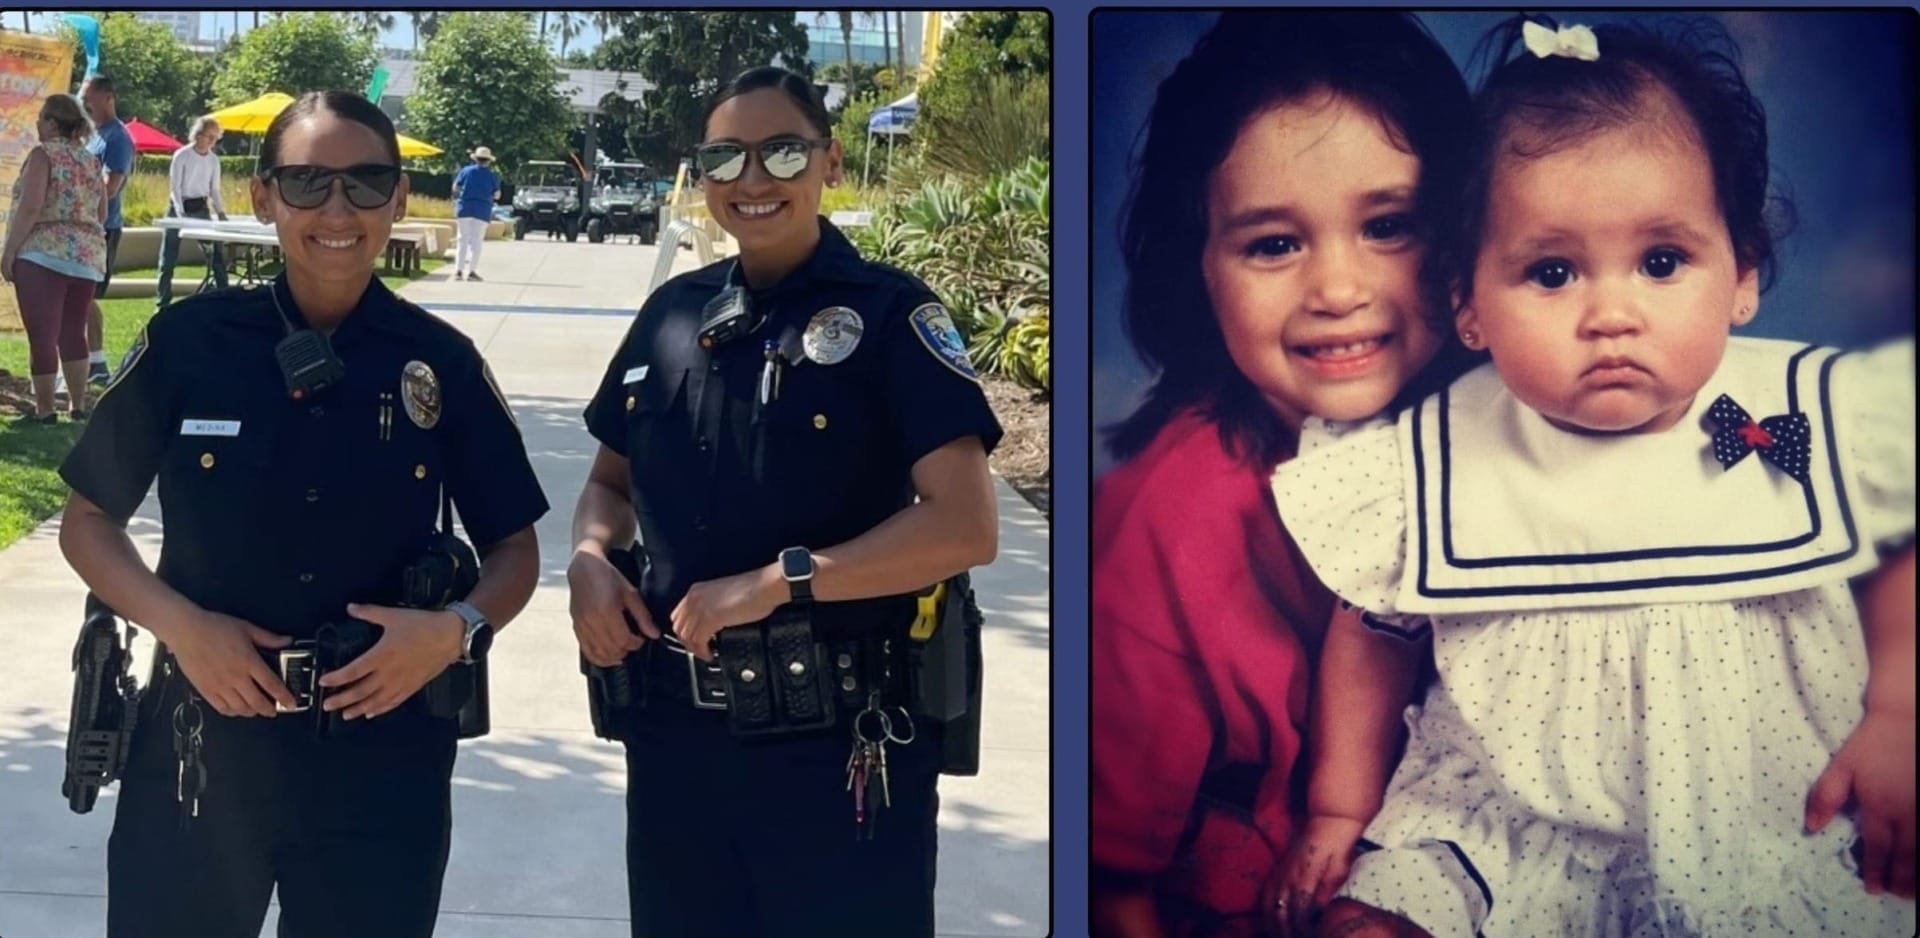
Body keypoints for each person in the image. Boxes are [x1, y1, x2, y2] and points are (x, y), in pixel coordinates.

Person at [1271, 18, 1916, 937]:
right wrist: (1339, 809)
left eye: (1661, 262)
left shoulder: (1809, 412)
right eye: (1552, 271)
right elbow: (1372, 638)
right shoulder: (1436, 458)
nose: (1611, 313)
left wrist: (1899, 716)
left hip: (1768, 815)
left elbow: (1898, 552)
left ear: (1741, 274)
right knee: (1377, 921)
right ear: (1468, 304)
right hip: (1506, 826)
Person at [57, 90, 549, 938]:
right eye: (307, 182)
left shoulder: (441, 362)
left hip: (383, 750)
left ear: (399, 198)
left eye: (367, 183)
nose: (337, 209)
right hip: (201, 740)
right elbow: (87, 521)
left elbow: (515, 546)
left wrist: (455, 630)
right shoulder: (188, 343)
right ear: (263, 196)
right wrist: (182, 627)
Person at [567, 66, 1001, 938]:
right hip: (676, 745)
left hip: (838, 747)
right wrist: (588, 560)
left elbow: (964, 527)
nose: (753, 179)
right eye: (726, 157)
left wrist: (779, 581)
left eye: (783, 152)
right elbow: (610, 482)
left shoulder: (892, 317)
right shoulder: (672, 314)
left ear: (829, 162)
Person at [1090, 13, 1476, 938]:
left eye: (1388, 227)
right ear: (1198, 266)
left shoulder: (1525, 438)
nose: (1337, 289)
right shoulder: (1165, 527)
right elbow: (1112, 883)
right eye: (1273, 244)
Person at [0, 93, 108, 424]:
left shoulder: (43, 155)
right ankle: (77, 404)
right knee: (74, 333)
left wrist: (9, 250)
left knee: (43, 335)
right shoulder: (90, 161)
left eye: (41, 118)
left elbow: (31, 206)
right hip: (85, 257)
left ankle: (45, 409)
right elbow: (102, 211)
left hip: (43, 253)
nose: (37, 124)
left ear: (51, 122)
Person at [80, 73, 132, 386]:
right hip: (84, 225)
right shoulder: (93, 134)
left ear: (108, 97)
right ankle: (86, 360)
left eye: (89, 97)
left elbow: (111, 187)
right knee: (79, 294)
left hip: (103, 228)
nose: (84, 102)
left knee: (86, 294)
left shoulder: (118, 138)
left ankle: (97, 363)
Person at [154, 115, 230, 310]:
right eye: (209, 136)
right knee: (168, 257)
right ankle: (163, 301)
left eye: (215, 138)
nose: (212, 141)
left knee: (215, 253)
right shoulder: (182, 155)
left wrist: (220, 212)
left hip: (201, 207)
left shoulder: (213, 160)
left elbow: (214, 189)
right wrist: (180, 213)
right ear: (198, 135)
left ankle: (224, 295)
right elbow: (175, 188)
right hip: (179, 206)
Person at [451, 145, 500, 282]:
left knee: (462, 240)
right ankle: (472, 272)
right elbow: (497, 195)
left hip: (465, 208)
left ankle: (458, 271)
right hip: (482, 210)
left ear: (476, 159)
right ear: (488, 161)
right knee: (476, 242)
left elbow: (456, 187)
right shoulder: (492, 175)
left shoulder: (466, 171)